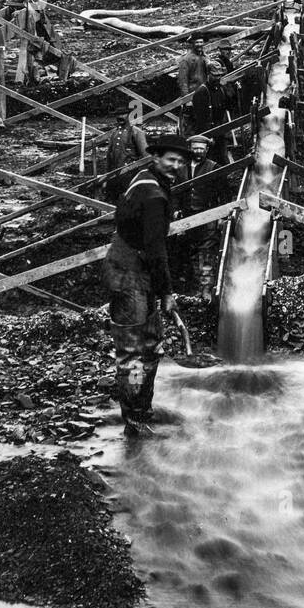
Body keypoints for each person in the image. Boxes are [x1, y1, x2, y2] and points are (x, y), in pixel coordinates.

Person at [99, 133, 189, 436]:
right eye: (170, 159)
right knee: (133, 351)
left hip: (132, 266)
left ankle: (141, 409)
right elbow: (155, 249)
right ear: (156, 157)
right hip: (129, 274)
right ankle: (134, 420)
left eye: (180, 161)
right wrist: (167, 293)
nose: (176, 165)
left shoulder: (143, 178)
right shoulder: (154, 197)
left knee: (150, 345)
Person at [175, 134, 224, 299]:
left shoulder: (214, 167)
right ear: (190, 149)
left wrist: (221, 217)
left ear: (207, 150)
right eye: (195, 148)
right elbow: (175, 192)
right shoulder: (181, 169)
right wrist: (176, 210)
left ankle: (205, 290)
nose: (198, 152)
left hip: (208, 216)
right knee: (189, 251)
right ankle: (192, 290)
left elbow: (224, 194)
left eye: (201, 149)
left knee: (207, 252)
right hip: (187, 218)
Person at [103, 101, 149, 202]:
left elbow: (146, 158)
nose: (120, 117)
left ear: (128, 115)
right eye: (118, 115)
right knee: (111, 201)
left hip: (130, 175)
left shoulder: (136, 132)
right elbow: (109, 158)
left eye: (123, 114)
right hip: (114, 176)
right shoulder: (114, 133)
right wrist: (106, 178)